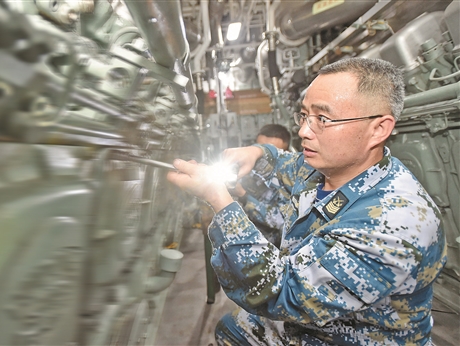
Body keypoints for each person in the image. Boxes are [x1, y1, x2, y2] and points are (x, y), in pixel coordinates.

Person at [167, 57, 447, 345]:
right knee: (232, 326)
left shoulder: (396, 221)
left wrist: (220, 201)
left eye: (322, 119)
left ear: (378, 129)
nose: (304, 131)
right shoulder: (324, 167)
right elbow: (285, 162)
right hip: (321, 323)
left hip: (360, 336)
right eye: (304, 116)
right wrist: (257, 152)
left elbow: (281, 293)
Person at [232, 124, 291, 247]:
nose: (262, 158)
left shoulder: (290, 181)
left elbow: (280, 221)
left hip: (268, 249)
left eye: (269, 153)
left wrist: (244, 196)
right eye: (260, 150)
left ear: (284, 154)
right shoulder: (248, 170)